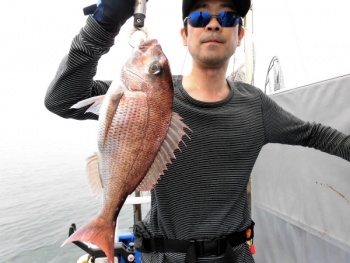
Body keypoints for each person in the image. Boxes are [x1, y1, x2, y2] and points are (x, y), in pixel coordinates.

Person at [45, 0, 350, 262]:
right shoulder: (152, 95)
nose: (214, 25)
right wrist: (103, 24)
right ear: (184, 34)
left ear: (240, 34)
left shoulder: (256, 105)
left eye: (228, 17)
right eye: (201, 16)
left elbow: (313, 134)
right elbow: (62, 99)